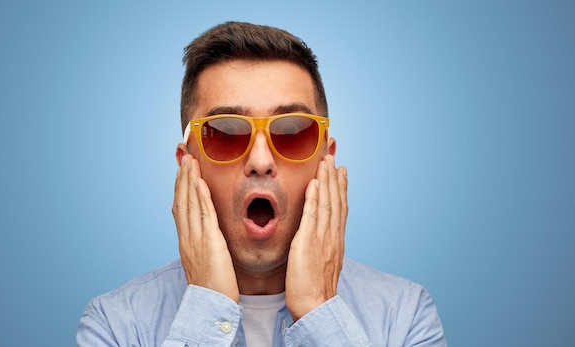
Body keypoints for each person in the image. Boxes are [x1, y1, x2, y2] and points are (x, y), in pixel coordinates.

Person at [76, 21, 447, 347]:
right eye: (224, 133)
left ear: (326, 160)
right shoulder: (114, 325)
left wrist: (319, 312)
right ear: (188, 165)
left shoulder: (406, 315)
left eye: (291, 132)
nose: (260, 161)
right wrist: (207, 308)